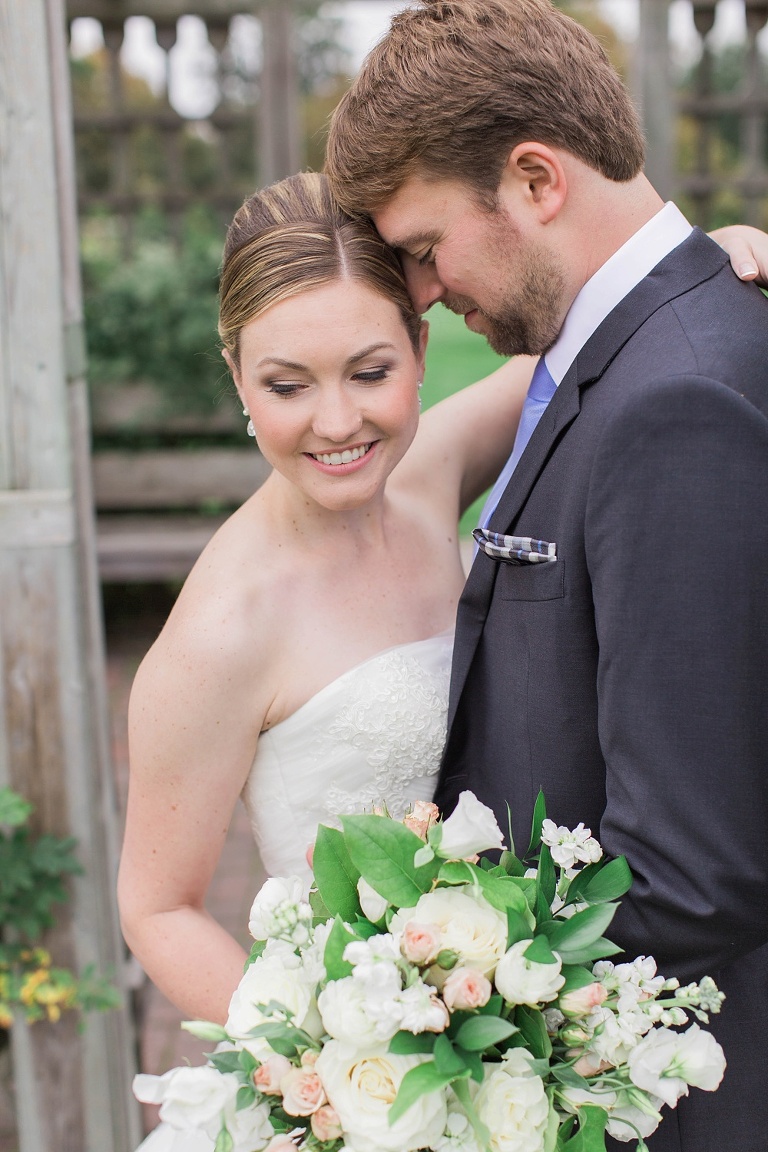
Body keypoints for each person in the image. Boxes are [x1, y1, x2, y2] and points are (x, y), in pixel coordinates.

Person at [324, 3, 768, 1150]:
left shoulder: (673, 399)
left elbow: (693, 870)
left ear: (534, 180)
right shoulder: (630, 350)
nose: (421, 292)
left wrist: (447, 1035)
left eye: (425, 248)